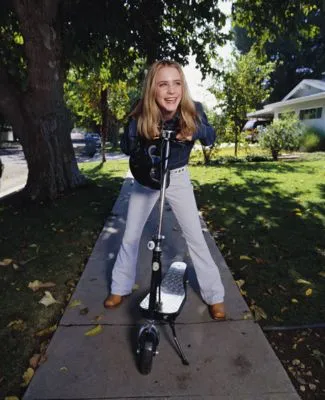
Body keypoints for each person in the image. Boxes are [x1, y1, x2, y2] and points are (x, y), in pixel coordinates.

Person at [104, 60, 225, 320]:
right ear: (152, 90)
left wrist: (193, 131)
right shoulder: (141, 111)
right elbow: (126, 147)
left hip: (178, 177)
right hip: (146, 180)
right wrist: (137, 127)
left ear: (183, 87)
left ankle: (215, 295)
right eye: (163, 84)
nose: (171, 91)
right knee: (131, 235)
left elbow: (211, 136)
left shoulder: (193, 110)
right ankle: (119, 287)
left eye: (176, 83)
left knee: (195, 236)